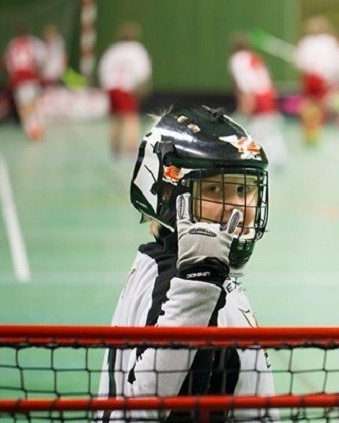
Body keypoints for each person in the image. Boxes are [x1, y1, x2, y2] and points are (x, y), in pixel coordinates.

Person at [97, 105, 277, 422]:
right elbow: (143, 410)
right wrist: (198, 283)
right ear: (167, 196)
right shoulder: (180, 284)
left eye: (243, 189)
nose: (237, 207)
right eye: (214, 189)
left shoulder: (168, 264)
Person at [228, 32, 287, 171]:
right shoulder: (254, 57)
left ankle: (266, 164)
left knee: (259, 133)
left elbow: (244, 83)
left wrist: (246, 104)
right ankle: (279, 159)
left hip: (256, 98)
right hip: (268, 96)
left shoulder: (237, 60)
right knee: (270, 130)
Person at [98, 22, 152, 160]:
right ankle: (131, 151)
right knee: (130, 119)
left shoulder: (113, 50)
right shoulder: (137, 49)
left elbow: (103, 69)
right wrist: (142, 87)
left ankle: (114, 150)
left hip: (111, 87)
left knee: (115, 119)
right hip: (125, 87)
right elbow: (143, 71)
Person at [293, 15, 339, 145]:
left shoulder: (306, 42)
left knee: (309, 104)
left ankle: (309, 130)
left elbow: (299, 63)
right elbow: (336, 63)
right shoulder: (329, 42)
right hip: (321, 78)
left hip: (311, 77)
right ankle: (314, 130)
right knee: (318, 105)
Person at [4, 26, 46, 140]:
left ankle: (29, 129)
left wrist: (12, 78)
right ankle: (37, 128)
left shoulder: (12, 45)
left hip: (19, 81)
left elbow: (9, 65)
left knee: (23, 106)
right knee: (34, 103)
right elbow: (41, 58)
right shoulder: (33, 42)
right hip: (31, 79)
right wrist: (40, 72)